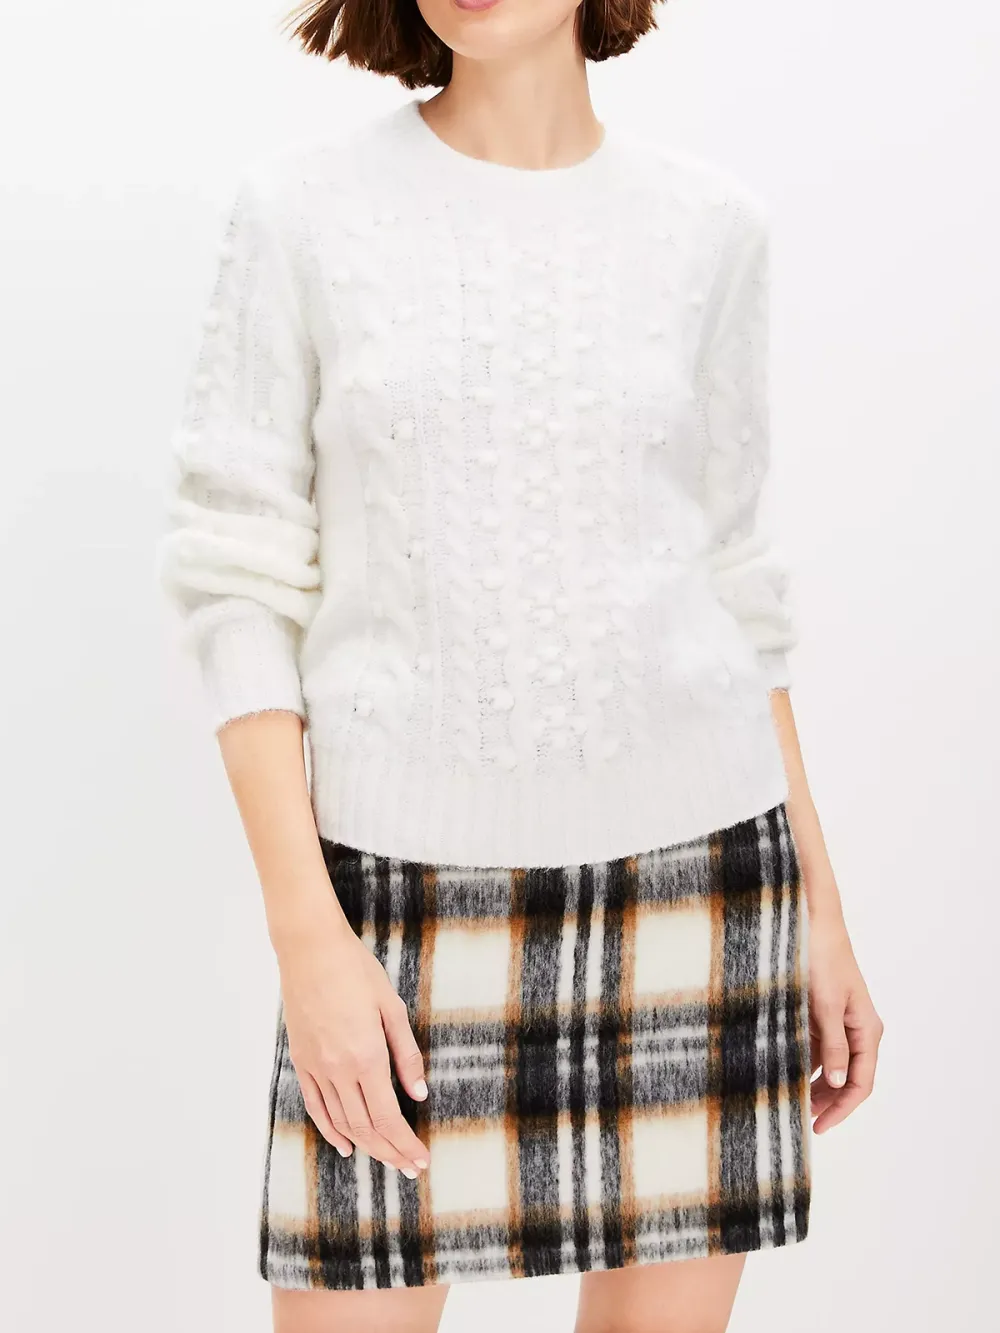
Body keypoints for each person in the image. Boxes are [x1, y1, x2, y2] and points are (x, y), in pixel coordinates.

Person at [156, 2, 884, 1330]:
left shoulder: (711, 228)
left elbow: (735, 584)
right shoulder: (303, 214)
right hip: (391, 901)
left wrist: (822, 912)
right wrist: (307, 936)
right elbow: (236, 581)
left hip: (700, 890)